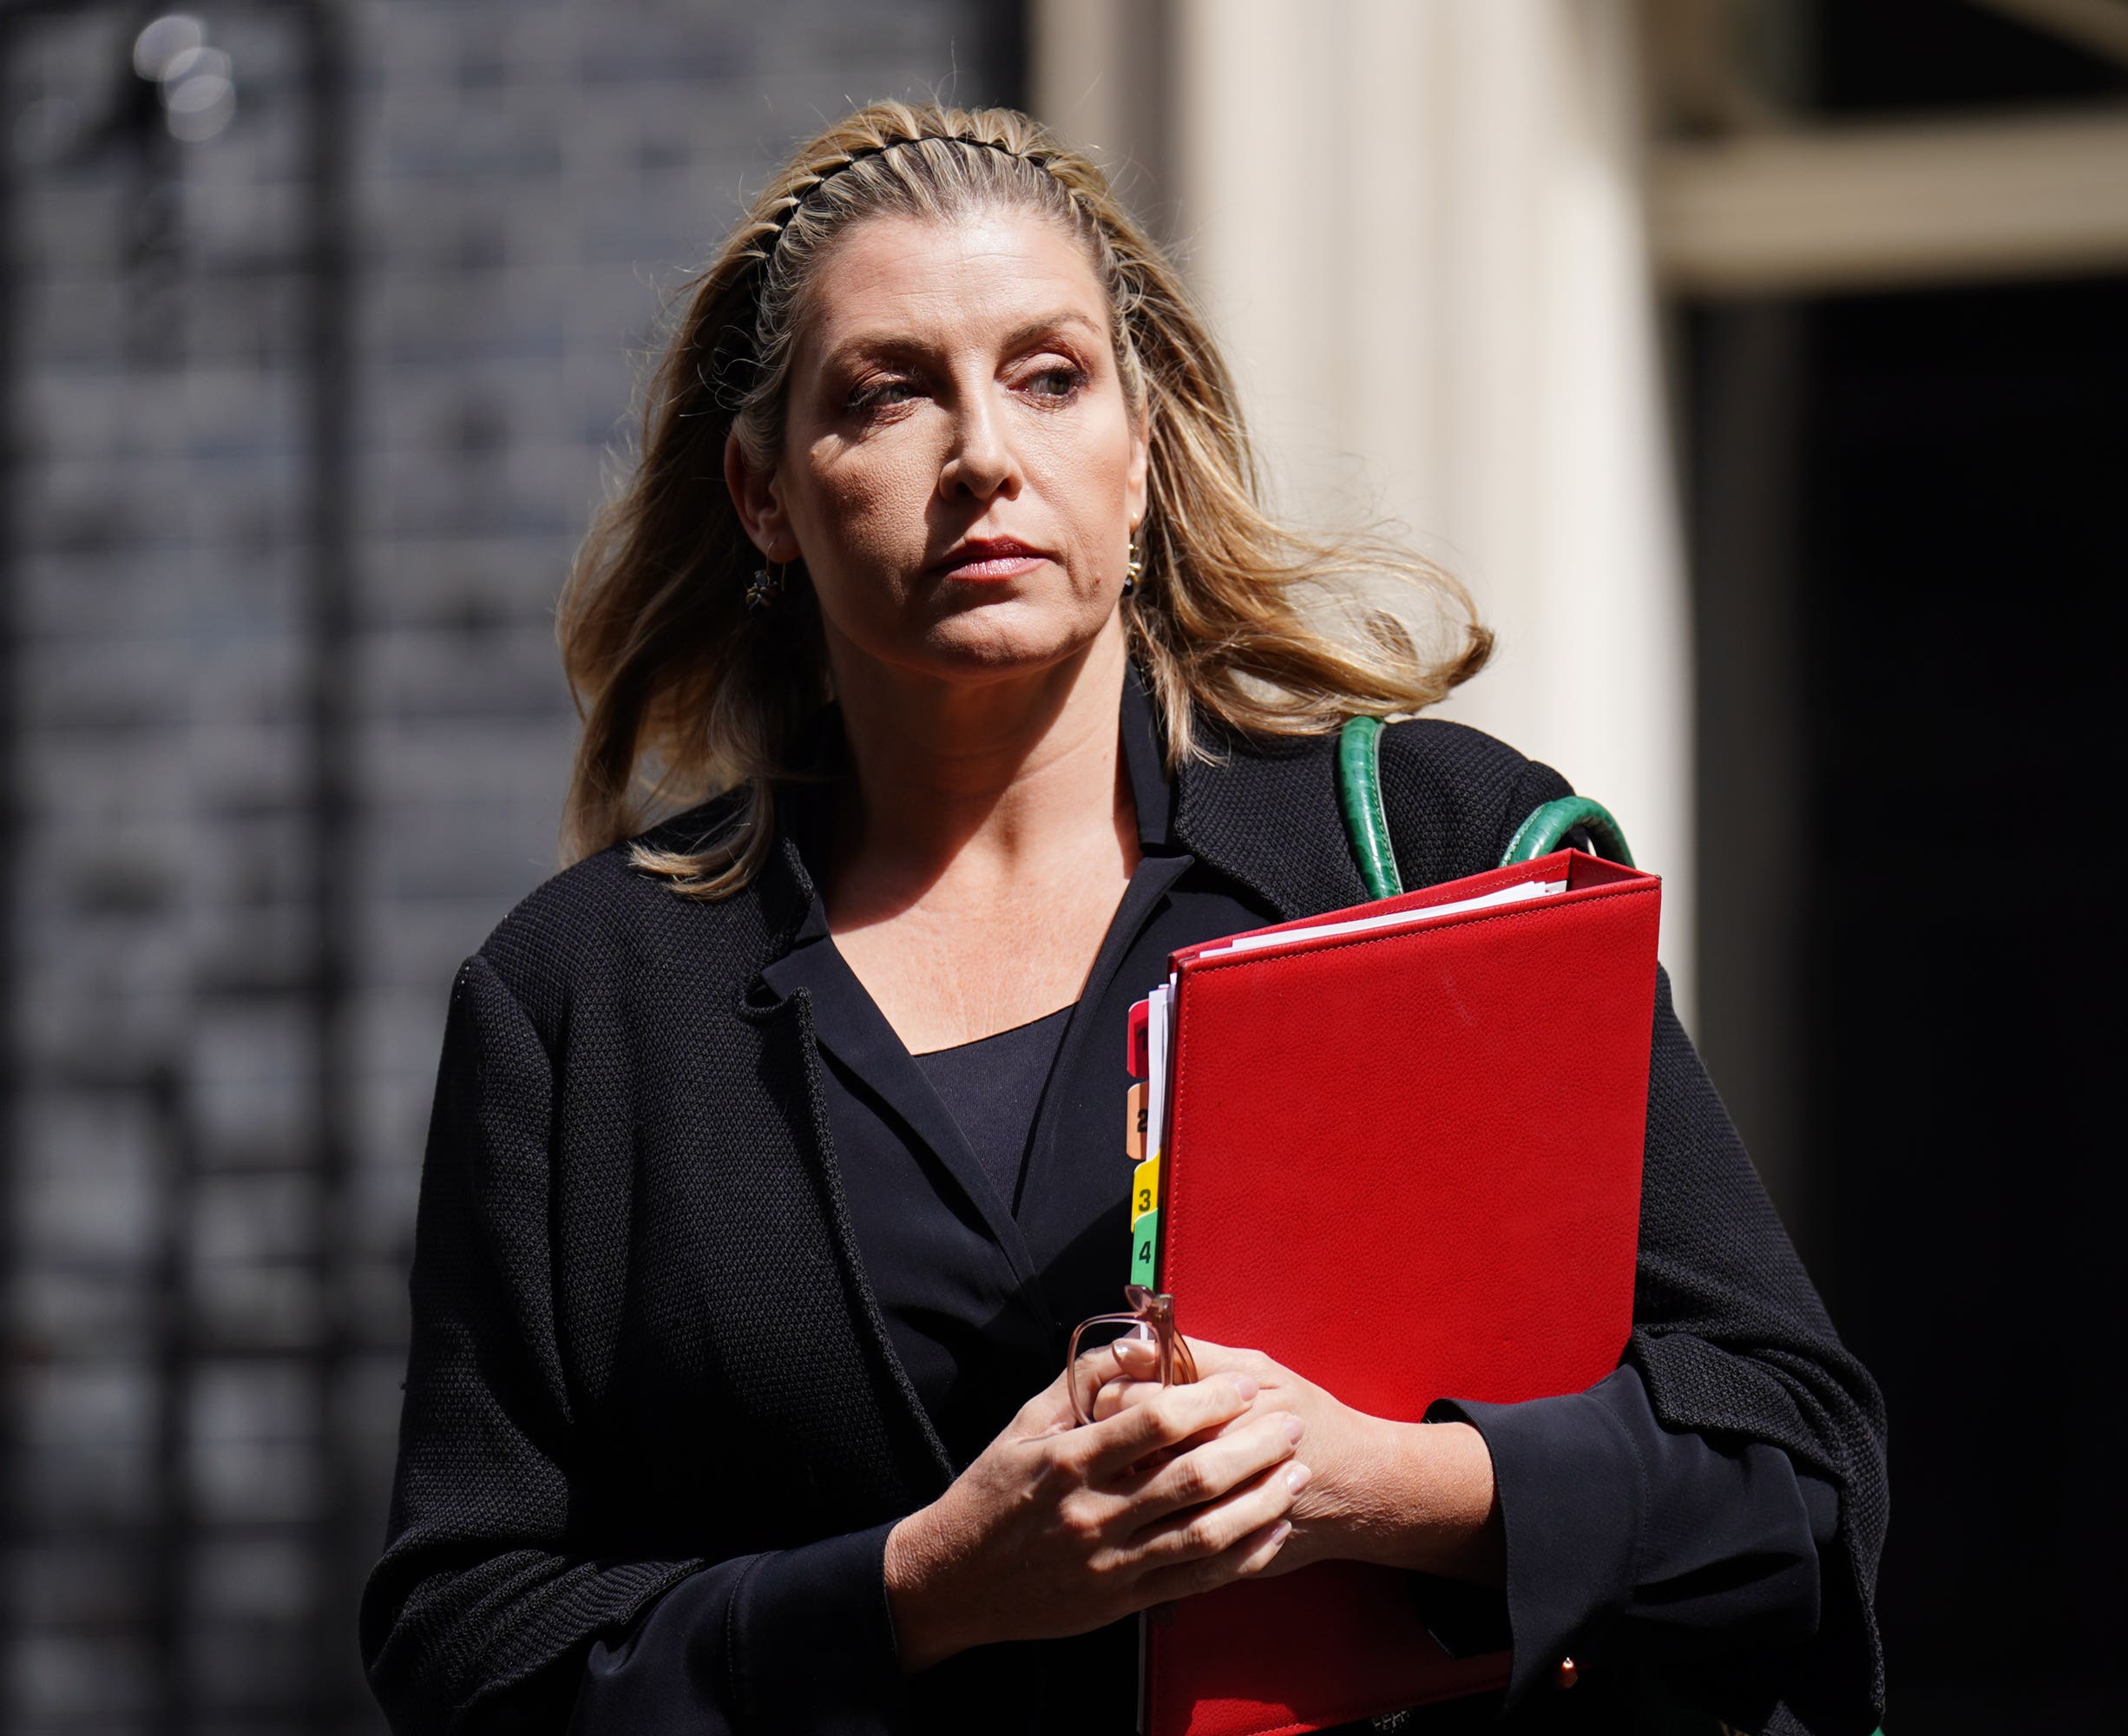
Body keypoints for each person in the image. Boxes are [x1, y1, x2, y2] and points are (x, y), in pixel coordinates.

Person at [358, 101, 1886, 1736]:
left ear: (1140, 446)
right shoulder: (581, 1002)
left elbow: (1790, 1470)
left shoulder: (1435, 853)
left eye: (1049, 376)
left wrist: (1385, 1485)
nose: (984, 459)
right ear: (762, 494)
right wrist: (923, 1589)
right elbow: (466, 1640)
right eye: (889, 392)